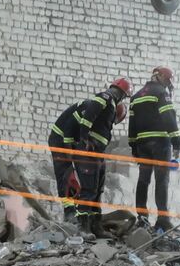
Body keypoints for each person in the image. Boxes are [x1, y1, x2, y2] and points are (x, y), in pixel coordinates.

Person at [47, 78, 131, 231]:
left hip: (72, 139)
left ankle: (83, 218)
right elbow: (70, 127)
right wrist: (72, 153)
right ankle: (70, 213)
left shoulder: (102, 109)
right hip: (60, 138)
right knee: (66, 174)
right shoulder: (100, 103)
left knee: (85, 183)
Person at [129, 67, 180, 231]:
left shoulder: (136, 96)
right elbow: (168, 117)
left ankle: (142, 218)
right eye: (166, 81)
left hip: (143, 145)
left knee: (143, 180)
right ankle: (163, 219)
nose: (167, 85)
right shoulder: (161, 93)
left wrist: (133, 146)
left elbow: (132, 125)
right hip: (160, 144)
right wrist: (176, 142)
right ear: (158, 77)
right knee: (161, 180)